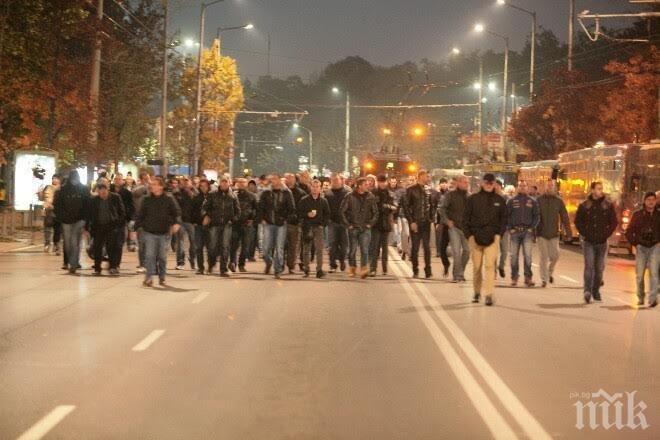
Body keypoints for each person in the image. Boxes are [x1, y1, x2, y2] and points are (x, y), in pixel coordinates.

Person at [464, 173, 507, 306]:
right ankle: (477, 292)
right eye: (487, 183)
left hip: (493, 238)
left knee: (489, 266)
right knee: (477, 267)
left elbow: (504, 220)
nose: (489, 185)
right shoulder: (472, 199)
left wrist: (499, 235)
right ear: (482, 183)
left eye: (491, 183)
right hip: (475, 237)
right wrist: (469, 235)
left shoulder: (500, 200)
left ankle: (488, 294)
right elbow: (465, 219)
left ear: (494, 184)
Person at [574, 181, 618, 303]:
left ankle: (596, 290)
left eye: (601, 188)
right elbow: (578, 221)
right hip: (588, 241)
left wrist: (606, 234)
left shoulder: (607, 205)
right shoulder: (585, 205)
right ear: (592, 190)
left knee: (599, 268)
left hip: (602, 242)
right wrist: (584, 233)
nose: (600, 191)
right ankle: (587, 291)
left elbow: (614, 222)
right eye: (598, 188)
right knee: (589, 266)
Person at [135, 177, 181, 287]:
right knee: (150, 255)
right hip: (149, 232)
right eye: (151, 184)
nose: (152, 186)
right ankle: (149, 278)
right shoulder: (146, 199)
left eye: (155, 184)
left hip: (164, 232)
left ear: (161, 186)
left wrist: (176, 223)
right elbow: (140, 215)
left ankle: (162, 278)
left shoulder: (168, 198)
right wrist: (135, 228)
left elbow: (176, 212)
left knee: (162, 257)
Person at [258, 173, 295, 279]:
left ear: (279, 180)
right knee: (265, 248)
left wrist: (285, 219)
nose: (272, 181)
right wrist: (262, 219)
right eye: (271, 179)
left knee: (279, 247)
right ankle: (269, 261)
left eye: (274, 179)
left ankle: (278, 269)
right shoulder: (266, 193)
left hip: (281, 224)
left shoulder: (287, 193)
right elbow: (261, 207)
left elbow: (291, 208)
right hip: (268, 223)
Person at [625, 192, 659, 307]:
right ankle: (640, 297)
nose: (651, 202)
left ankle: (653, 298)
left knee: (654, 273)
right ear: (644, 201)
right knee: (640, 275)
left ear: (656, 201)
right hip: (641, 248)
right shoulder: (637, 215)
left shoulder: (658, 215)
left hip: (655, 247)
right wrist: (636, 243)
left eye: (653, 200)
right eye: (648, 199)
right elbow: (629, 231)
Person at [53, 170, 90, 274]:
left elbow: (87, 205)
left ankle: (73, 263)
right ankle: (71, 261)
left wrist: (85, 219)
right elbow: (57, 205)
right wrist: (61, 216)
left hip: (79, 220)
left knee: (74, 242)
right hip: (66, 220)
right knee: (68, 243)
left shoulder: (83, 189)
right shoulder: (63, 190)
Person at [341, 177, 378, 279]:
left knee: (364, 250)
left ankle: (363, 269)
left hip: (365, 228)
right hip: (353, 227)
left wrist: (370, 223)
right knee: (352, 250)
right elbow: (342, 211)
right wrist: (348, 225)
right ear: (359, 186)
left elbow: (375, 212)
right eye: (366, 184)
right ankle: (352, 268)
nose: (368, 186)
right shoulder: (349, 196)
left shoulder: (370, 197)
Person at [536, 180, 572, 287]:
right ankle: (544, 279)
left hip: (554, 234)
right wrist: (533, 231)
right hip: (541, 233)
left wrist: (568, 232)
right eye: (548, 186)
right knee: (544, 257)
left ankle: (550, 272)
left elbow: (564, 217)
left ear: (555, 188)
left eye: (552, 186)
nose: (550, 187)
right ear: (545, 187)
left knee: (555, 256)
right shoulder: (539, 200)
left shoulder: (559, 201)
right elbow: (534, 216)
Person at [203, 176, 240, 277]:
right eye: (222, 182)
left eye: (225, 182)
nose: (223, 184)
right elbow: (205, 208)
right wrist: (207, 216)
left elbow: (237, 211)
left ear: (229, 183)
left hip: (227, 225)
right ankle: (211, 264)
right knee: (212, 246)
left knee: (225, 247)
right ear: (219, 183)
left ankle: (223, 269)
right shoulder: (212, 195)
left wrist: (233, 220)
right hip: (214, 224)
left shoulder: (233, 196)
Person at [87, 182, 126, 275]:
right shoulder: (94, 200)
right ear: (98, 192)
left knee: (111, 247)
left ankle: (113, 266)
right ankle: (97, 268)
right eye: (100, 193)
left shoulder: (115, 197)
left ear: (107, 190)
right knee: (97, 248)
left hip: (112, 226)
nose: (103, 195)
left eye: (104, 192)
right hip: (98, 227)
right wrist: (87, 227)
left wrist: (119, 224)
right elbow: (90, 214)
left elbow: (121, 211)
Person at [506, 180, 540, 287]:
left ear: (527, 187)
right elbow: (506, 216)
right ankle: (514, 278)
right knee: (514, 257)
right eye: (520, 186)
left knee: (528, 256)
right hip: (514, 232)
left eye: (524, 186)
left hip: (527, 232)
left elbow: (537, 216)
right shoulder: (511, 201)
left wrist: (531, 228)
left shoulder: (532, 201)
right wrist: (510, 228)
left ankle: (528, 278)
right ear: (517, 187)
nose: (522, 187)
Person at [404, 170, 436, 278]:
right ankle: (415, 270)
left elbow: (432, 205)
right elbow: (406, 207)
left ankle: (428, 270)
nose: (429, 178)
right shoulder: (411, 190)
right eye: (427, 176)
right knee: (415, 247)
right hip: (415, 222)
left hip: (426, 223)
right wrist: (411, 221)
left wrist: (432, 219)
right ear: (421, 176)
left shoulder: (429, 190)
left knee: (427, 248)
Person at [439, 175, 470, 282]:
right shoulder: (450, 195)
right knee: (456, 252)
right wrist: (447, 221)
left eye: (467, 183)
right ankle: (457, 275)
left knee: (467, 251)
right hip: (454, 228)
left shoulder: (469, 197)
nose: (467, 184)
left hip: (466, 229)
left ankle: (460, 272)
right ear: (459, 183)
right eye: (464, 182)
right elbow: (442, 209)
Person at [298, 179, 330, 278]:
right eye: (313, 186)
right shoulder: (304, 200)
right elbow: (298, 213)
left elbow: (327, 214)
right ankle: (306, 269)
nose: (315, 189)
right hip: (307, 227)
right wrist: (307, 214)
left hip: (318, 227)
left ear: (320, 189)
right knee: (306, 249)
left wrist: (323, 224)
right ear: (310, 187)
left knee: (319, 249)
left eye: (317, 187)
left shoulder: (323, 201)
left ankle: (319, 270)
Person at [369, 175, 396, 276]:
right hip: (375, 224)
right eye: (381, 182)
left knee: (385, 248)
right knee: (375, 248)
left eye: (384, 182)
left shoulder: (389, 193)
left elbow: (393, 207)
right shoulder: (373, 193)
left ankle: (385, 268)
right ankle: (373, 268)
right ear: (378, 182)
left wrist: (387, 206)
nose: (383, 184)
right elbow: (371, 207)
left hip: (386, 224)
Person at [231, 177, 258, 272]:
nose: (242, 184)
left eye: (243, 182)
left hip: (247, 223)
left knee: (245, 246)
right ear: (237, 183)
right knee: (234, 245)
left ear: (246, 184)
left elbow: (256, 209)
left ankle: (241, 264)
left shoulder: (252, 196)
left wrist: (252, 219)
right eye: (240, 182)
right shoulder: (233, 195)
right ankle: (232, 262)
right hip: (235, 224)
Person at [325, 173, 350, 272]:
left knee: (344, 245)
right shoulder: (327, 193)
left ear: (341, 181)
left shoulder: (347, 192)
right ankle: (332, 265)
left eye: (336, 180)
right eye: (333, 180)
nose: (334, 182)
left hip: (344, 223)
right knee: (332, 244)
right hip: (332, 223)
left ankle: (342, 259)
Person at [171, 177, 196, 270]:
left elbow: (197, 208)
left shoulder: (195, 193)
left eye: (187, 182)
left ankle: (193, 260)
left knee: (194, 242)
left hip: (191, 221)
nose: (185, 184)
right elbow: (174, 207)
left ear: (190, 183)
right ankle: (180, 262)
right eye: (183, 182)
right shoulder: (177, 193)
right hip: (180, 221)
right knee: (180, 242)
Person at [284, 173, 307, 274]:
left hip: (295, 223)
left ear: (294, 180)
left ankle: (291, 266)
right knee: (281, 245)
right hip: (282, 223)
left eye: (290, 178)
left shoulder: (301, 193)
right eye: (287, 178)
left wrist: (299, 219)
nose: (288, 180)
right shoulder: (282, 192)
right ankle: (280, 264)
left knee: (293, 246)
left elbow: (304, 208)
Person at [110, 173, 135, 261]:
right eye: (116, 179)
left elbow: (131, 206)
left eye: (119, 179)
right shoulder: (109, 189)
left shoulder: (127, 193)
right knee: (110, 242)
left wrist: (131, 219)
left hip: (121, 220)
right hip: (109, 220)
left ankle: (116, 262)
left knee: (119, 242)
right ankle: (111, 260)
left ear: (122, 181)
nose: (117, 181)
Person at [191, 179, 213, 274]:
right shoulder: (196, 198)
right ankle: (201, 267)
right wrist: (194, 221)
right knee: (199, 247)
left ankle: (210, 266)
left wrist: (209, 217)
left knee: (210, 247)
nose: (203, 188)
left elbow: (215, 210)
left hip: (210, 226)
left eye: (205, 186)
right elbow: (192, 211)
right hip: (199, 226)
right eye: (201, 186)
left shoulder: (213, 197)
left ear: (208, 186)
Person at [132, 171, 151, 273]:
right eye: (146, 179)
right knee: (142, 243)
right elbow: (134, 192)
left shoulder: (151, 189)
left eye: (148, 179)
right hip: (141, 220)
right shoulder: (138, 188)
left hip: (150, 220)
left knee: (150, 243)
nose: (148, 181)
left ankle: (149, 263)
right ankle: (142, 264)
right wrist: (145, 186)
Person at [433, 178, 451, 275]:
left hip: (446, 219)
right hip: (438, 218)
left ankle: (444, 250)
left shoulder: (449, 194)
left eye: (445, 183)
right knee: (438, 236)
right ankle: (438, 251)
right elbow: (434, 207)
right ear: (439, 185)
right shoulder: (436, 194)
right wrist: (435, 221)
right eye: (442, 183)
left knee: (446, 237)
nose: (444, 185)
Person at [41, 175, 61, 253]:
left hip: (57, 211)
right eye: (53, 178)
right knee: (47, 228)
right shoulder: (48, 187)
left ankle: (56, 244)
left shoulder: (61, 189)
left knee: (57, 229)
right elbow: (43, 197)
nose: (54, 180)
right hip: (48, 210)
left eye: (56, 178)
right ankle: (47, 244)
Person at [495, 179, 510, 278]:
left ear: (501, 187)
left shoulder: (506, 199)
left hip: (504, 229)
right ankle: (493, 271)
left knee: (504, 251)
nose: (495, 188)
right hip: (493, 230)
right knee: (493, 252)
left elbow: (510, 213)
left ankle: (501, 267)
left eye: (497, 186)